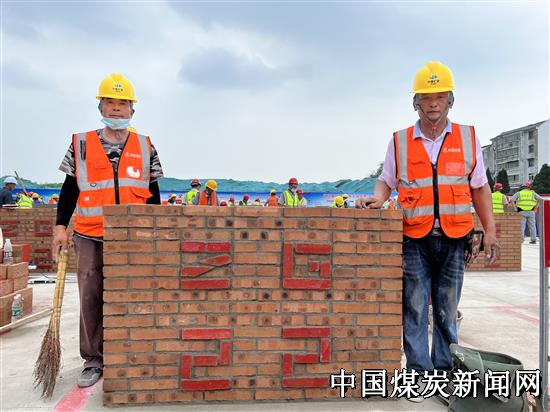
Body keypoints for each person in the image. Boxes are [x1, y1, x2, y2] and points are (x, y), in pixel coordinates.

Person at [356, 61, 499, 402]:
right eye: (426, 98)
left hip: (455, 237)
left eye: (440, 97)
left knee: (448, 309)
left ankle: (445, 372)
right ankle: (420, 373)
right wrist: (378, 199)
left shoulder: (468, 137)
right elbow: (386, 180)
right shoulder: (400, 141)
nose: (433, 104)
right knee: (416, 308)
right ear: (416, 102)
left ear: (450, 100)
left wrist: (490, 231)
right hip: (414, 239)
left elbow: (479, 187)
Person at [52, 73, 163, 388]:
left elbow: (153, 194)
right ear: (100, 106)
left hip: (131, 237)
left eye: (122, 103)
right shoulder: (82, 144)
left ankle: (128, 351)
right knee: (90, 296)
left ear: (132, 110)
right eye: (110, 102)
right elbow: (69, 189)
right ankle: (93, 359)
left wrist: (155, 231)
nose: (116, 108)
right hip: (90, 234)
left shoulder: (145, 146)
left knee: (131, 293)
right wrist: (60, 227)